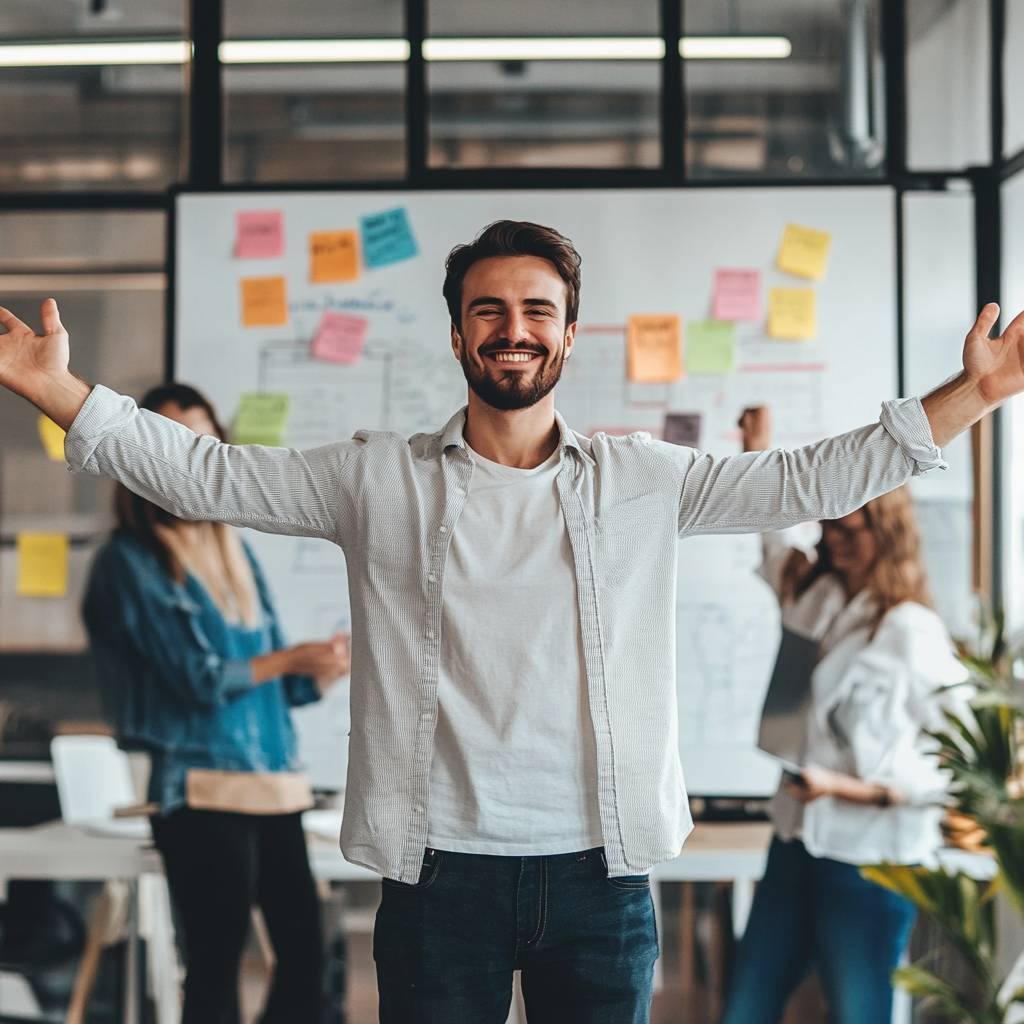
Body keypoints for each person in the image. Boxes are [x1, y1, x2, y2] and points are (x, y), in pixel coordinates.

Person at [1, 219, 1020, 1023]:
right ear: (456, 334)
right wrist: (62, 394)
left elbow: (811, 474)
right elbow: (205, 470)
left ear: (570, 333)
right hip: (439, 877)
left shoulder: (643, 480)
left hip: (600, 877)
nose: (513, 328)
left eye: (537, 309)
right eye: (487, 310)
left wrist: (970, 394)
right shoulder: (372, 478)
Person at [80, 382, 350, 1024]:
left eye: (201, 439)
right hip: (199, 792)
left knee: (307, 960)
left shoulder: (236, 549)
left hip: (273, 784)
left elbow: (281, 687)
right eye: (171, 439)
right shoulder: (129, 561)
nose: (188, 455)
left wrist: (324, 670)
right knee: (215, 966)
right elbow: (198, 680)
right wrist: (290, 657)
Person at [719, 406, 967, 1024]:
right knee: (744, 1009)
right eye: (831, 530)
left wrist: (856, 790)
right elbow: (776, 541)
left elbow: (960, 763)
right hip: (795, 840)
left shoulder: (911, 631)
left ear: (888, 534)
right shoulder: (817, 597)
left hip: (870, 860)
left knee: (861, 1014)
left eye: (852, 533)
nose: (836, 542)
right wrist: (758, 448)